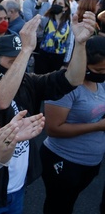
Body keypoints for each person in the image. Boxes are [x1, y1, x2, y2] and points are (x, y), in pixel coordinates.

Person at [0, 10, 97, 214]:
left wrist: (79, 45)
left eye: (23, 60)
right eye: (13, 61)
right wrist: (25, 50)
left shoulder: (29, 82)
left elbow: (74, 79)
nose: (21, 66)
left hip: (18, 186)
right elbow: (0, 101)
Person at [40, 36, 105, 214]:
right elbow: (53, 128)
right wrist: (98, 126)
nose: (103, 73)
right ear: (84, 63)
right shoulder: (65, 86)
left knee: (69, 202)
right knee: (58, 206)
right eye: (99, 69)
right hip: (64, 160)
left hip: (90, 161)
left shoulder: (100, 82)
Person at [34, 0, 72, 74]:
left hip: (58, 58)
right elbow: (35, 18)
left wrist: (66, 63)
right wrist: (39, 4)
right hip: (43, 56)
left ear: (65, 8)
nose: (56, 5)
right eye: (55, 3)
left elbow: (69, 44)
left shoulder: (69, 24)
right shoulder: (46, 19)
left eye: (60, 4)